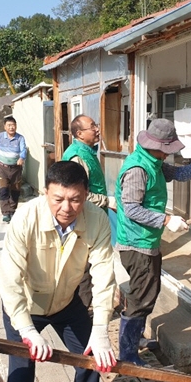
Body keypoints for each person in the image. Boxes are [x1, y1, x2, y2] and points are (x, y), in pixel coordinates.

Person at [0, 161, 116, 382]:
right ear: (45, 192)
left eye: (75, 199)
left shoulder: (97, 220)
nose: (66, 208)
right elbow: (9, 279)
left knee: (91, 360)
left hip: (65, 303)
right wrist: (27, 331)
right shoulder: (26, 217)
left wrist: (100, 330)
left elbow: (104, 276)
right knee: (21, 372)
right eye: (58, 199)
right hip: (25, 304)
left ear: (86, 193)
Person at [115, 118, 191, 365]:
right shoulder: (138, 169)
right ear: (158, 145)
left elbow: (182, 174)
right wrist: (165, 220)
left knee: (147, 293)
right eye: (168, 149)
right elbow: (131, 208)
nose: (169, 155)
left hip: (146, 241)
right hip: (135, 243)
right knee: (142, 298)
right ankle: (128, 354)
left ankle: (137, 339)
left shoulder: (155, 162)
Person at [61, 115, 116, 310]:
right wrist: (107, 201)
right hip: (82, 218)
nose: (97, 129)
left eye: (96, 124)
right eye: (92, 126)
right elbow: (78, 194)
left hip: (91, 216)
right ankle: (83, 310)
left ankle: (83, 305)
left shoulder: (87, 152)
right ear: (79, 133)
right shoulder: (77, 157)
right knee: (83, 265)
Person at [0, 116, 27, 223]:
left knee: (15, 191)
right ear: (5, 127)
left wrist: (22, 157)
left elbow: (23, 150)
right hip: (3, 167)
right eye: (9, 125)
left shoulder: (20, 138)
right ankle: (6, 212)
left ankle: (12, 209)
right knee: (4, 190)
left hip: (16, 169)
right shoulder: (0, 137)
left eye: (13, 125)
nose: (11, 127)